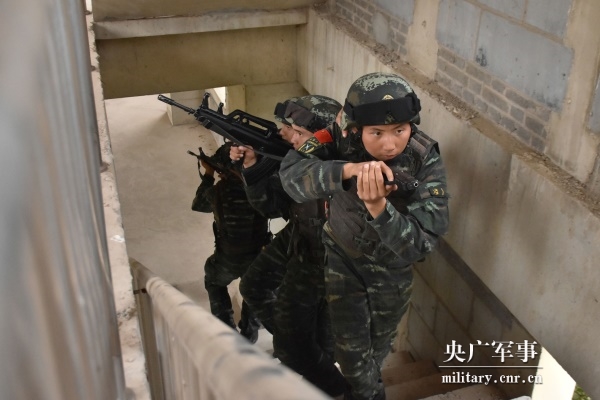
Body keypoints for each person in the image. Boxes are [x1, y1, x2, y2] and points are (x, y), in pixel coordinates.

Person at [279, 72, 450, 400]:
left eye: (400, 130)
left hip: (388, 274)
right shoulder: (338, 134)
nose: (390, 144)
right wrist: (346, 171)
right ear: (356, 128)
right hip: (341, 260)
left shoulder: (424, 159)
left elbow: (422, 244)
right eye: (377, 133)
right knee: (351, 361)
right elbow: (291, 176)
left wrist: (379, 209)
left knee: (371, 357)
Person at [230, 95, 348, 397]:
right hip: (299, 236)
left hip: (329, 258)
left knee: (322, 335)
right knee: (254, 286)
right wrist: (252, 166)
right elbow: (270, 207)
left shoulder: (344, 169)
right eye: (291, 129)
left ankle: (332, 385)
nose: (291, 138)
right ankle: (300, 351)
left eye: (299, 132)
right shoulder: (299, 161)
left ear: (325, 136)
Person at [191, 142, 270, 343]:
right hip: (258, 258)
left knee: (213, 281)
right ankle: (250, 332)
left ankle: (226, 330)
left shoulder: (217, 191)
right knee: (255, 287)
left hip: (227, 258)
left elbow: (198, 205)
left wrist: (208, 174)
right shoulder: (260, 188)